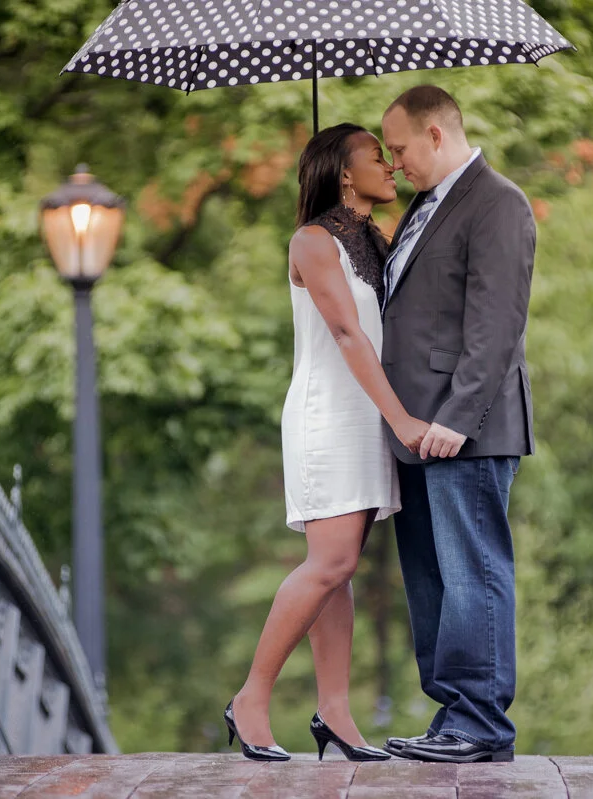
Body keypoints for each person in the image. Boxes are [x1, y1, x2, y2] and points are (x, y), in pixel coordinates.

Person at [224, 123, 430, 762]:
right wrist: (401, 420)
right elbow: (345, 336)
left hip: (364, 415)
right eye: (378, 157)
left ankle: (335, 712)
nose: (390, 166)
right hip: (329, 417)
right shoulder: (313, 241)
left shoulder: (379, 241)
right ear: (344, 172)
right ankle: (251, 698)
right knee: (330, 564)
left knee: (339, 571)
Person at [378, 86, 536, 764]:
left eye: (400, 149)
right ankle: (452, 714)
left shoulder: (498, 202)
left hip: (464, 429)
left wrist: (456, 420)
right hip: (416, 431)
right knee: (432, 579)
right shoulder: (422, 208)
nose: (393, 166)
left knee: (473, 571)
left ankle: (481, 722)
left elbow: (496, 327)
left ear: (436, 135)